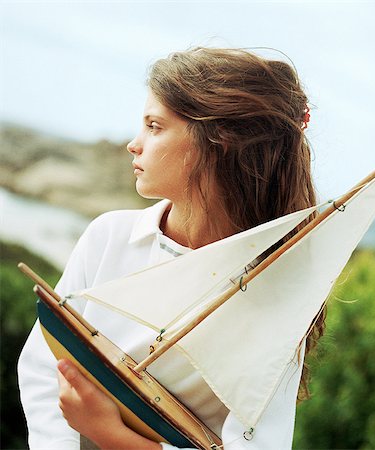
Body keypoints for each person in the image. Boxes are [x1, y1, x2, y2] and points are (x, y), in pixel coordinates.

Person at [18, 47, 325, 450]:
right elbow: (42, 366)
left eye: (154, 126)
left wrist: (110, 435)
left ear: (218, 143)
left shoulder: (272, 294)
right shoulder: (108, 236)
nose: (134, 143)